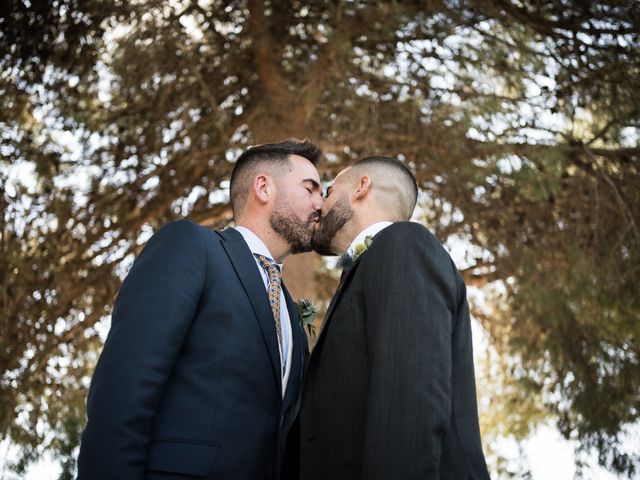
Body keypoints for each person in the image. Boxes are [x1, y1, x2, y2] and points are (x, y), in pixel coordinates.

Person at [77, 139, 323, 480]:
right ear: (263, 187)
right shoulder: (193, 247)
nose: (320, 204)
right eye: (310, 188)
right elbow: (123, 392)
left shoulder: (292, 319)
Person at [296, 156, 490, 479]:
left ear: (362, 187)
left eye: (329, 191)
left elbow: (409, 406)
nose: (319, 204)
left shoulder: (403, 246)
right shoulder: (366, 271)